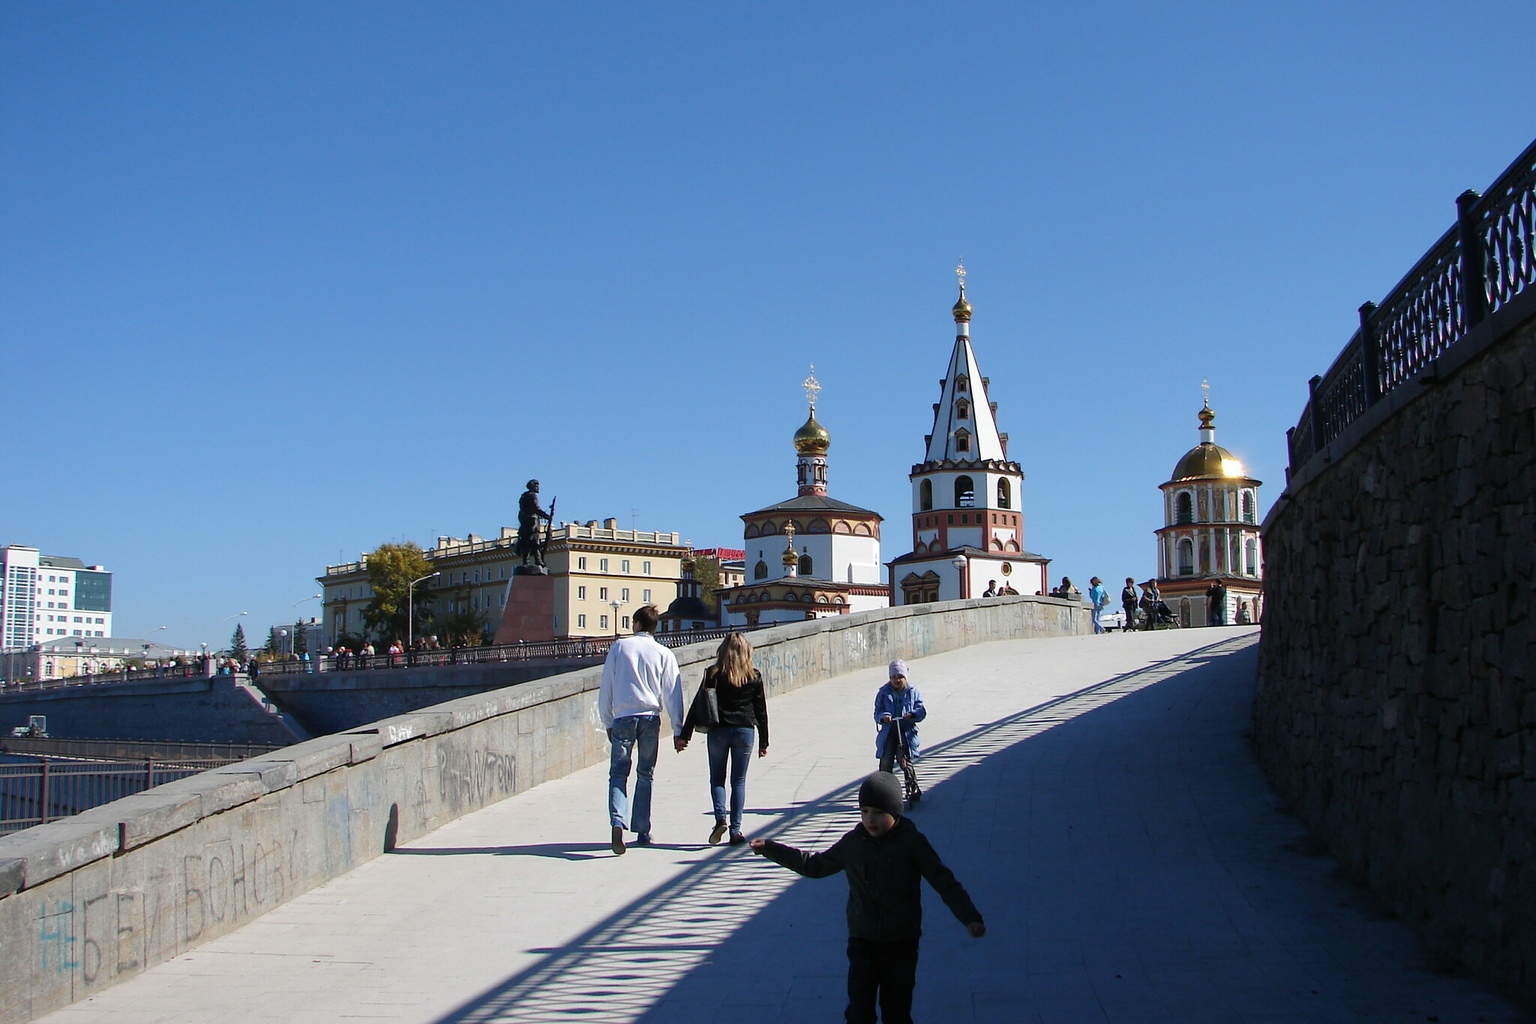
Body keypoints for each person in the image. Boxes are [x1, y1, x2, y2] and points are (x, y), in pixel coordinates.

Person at [750, 772, 985, 1024]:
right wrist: (771, 849)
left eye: (877, 812)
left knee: (897, 1011)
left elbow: (944, 881)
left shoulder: (912, 843)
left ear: (895, 813)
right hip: (862, 941)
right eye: (864, 811)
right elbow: (815, 866)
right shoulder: (854, 842)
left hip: (901, 943)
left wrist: (969, 917)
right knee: (859, 1011)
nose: (869, 819)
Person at [598, 604, 685, 854]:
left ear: (636, 624)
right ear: (654, 627)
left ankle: (618, 821)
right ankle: (642, 829)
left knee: (618, 773)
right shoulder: (663, 653)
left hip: (623, 717)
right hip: (649, 718)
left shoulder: (620, 647)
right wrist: (678, 729)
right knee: (645, 774)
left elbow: (607, 687)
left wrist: (608, 721)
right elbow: (672, 693)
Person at [677, 633, 769, 846]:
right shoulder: (754, 676)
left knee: (717, 778)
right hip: (744, 731)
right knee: (739, 781)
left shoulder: (713, 674)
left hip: (718, 731)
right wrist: (764, 742)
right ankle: (735, 830)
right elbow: (761, 710)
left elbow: (697, 705)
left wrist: (685, 735)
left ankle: (720, 819)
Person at [875, 660, 926, 774]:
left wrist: (912, 714)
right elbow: (877, 712)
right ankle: (885, 785)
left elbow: (921, 710)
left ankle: (911, 785)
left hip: (905, 731)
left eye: (900, 677)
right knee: (886, 760)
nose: (896, 680)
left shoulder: (912, 692)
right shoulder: (883, 693)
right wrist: (883, 717)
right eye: (893, 677)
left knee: (903, 760)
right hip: (889, 731)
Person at [517, 479, 553, 567]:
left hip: (525, 523)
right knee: (534, 543)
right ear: (532, 487)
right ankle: (537, 560)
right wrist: (547, 516)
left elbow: (521, 512)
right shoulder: (532, 496)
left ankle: (528, 561)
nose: (538, 488)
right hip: (532, 523)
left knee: (528, 543)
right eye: (536, 486)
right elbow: (536, 509)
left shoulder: (523, 496)